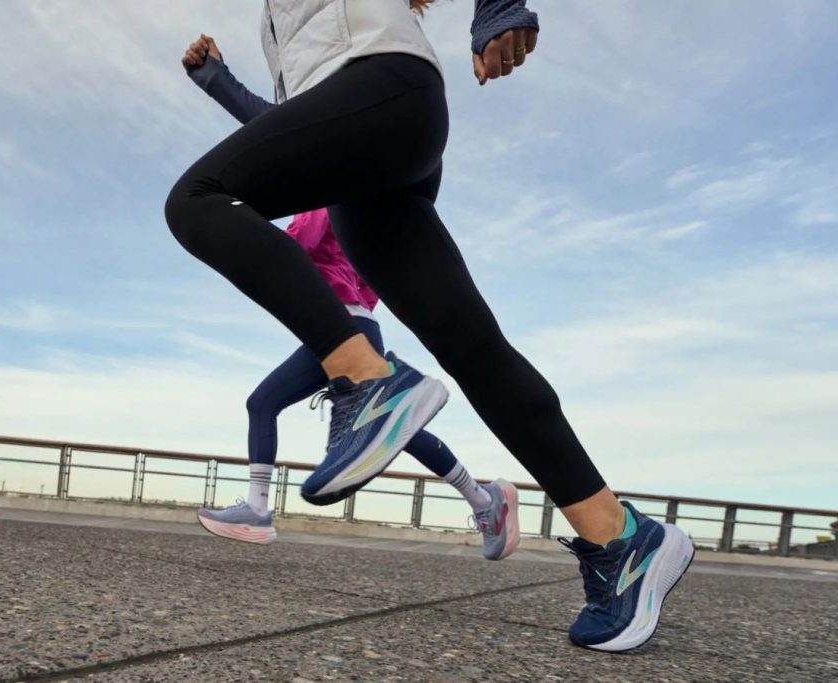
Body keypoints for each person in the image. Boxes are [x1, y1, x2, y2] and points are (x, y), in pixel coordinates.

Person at [164, 0, 694, 652]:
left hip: (382, 87)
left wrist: (498, 7)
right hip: (368, 141)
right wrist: (218, 80)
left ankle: (367, 382)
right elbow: (290, 132)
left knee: (197, 200)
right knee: (470, 345)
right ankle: (621, 538)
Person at [184, 38, 518, 561]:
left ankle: (256, 508)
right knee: (393, 434)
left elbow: (289, 244)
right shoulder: (352, 192)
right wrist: (216, 80)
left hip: (348, 327)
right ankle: (482, 498)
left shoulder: (330, 196)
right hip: (357, 324)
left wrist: (242, 238)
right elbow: (271, 123)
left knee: (263, 403)